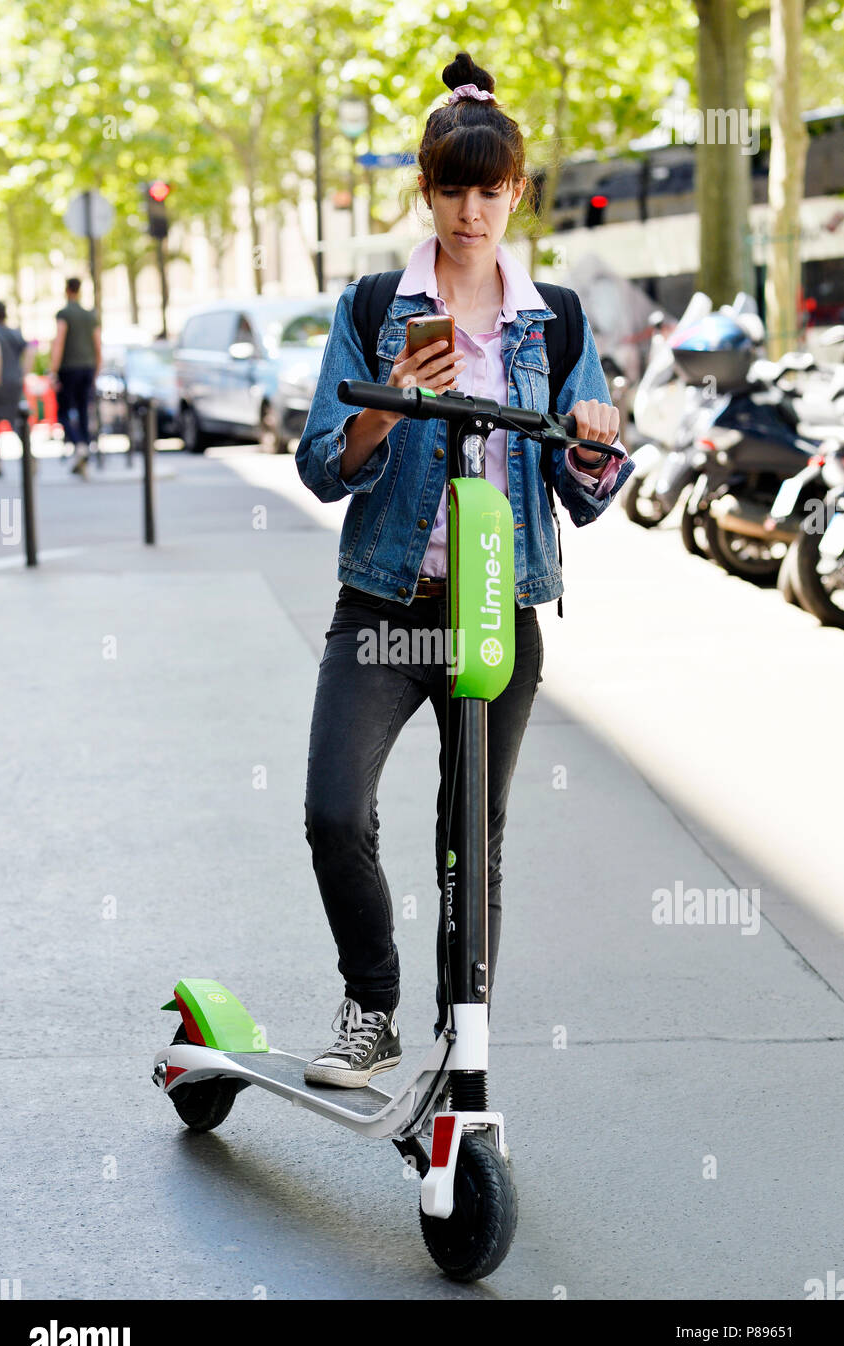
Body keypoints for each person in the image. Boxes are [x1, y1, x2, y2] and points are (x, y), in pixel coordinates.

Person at [295, 52, 635, 1088]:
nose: (471, 212)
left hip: (498, 607)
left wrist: (590, 440)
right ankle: (373, 1005)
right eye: (452, 189)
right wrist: (384, 400)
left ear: (517, 192)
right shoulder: (372, 308)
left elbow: (584, 492)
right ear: (426, 191)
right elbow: (319, 466)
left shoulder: (556, 320)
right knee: (333, 810)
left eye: (490, 190)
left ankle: (462, 1032)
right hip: (385, 605)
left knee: (468, 836)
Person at [48, 277, 101, 478]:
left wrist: (53, 370)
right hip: (87, 367)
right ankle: (84, 448)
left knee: (63, 412)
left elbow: (59, 341)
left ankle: (79, 445)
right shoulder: (90, 315)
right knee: (83, 410)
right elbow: (97, 344)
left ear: (66, 290)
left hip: (69, 368)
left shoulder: (64, 314)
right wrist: (97, 369)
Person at [0, 300, 33, 478]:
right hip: (15, 382)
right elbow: (31, 348)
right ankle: (30, 458)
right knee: (16, 421)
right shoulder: (15, 333)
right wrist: (23, 373)